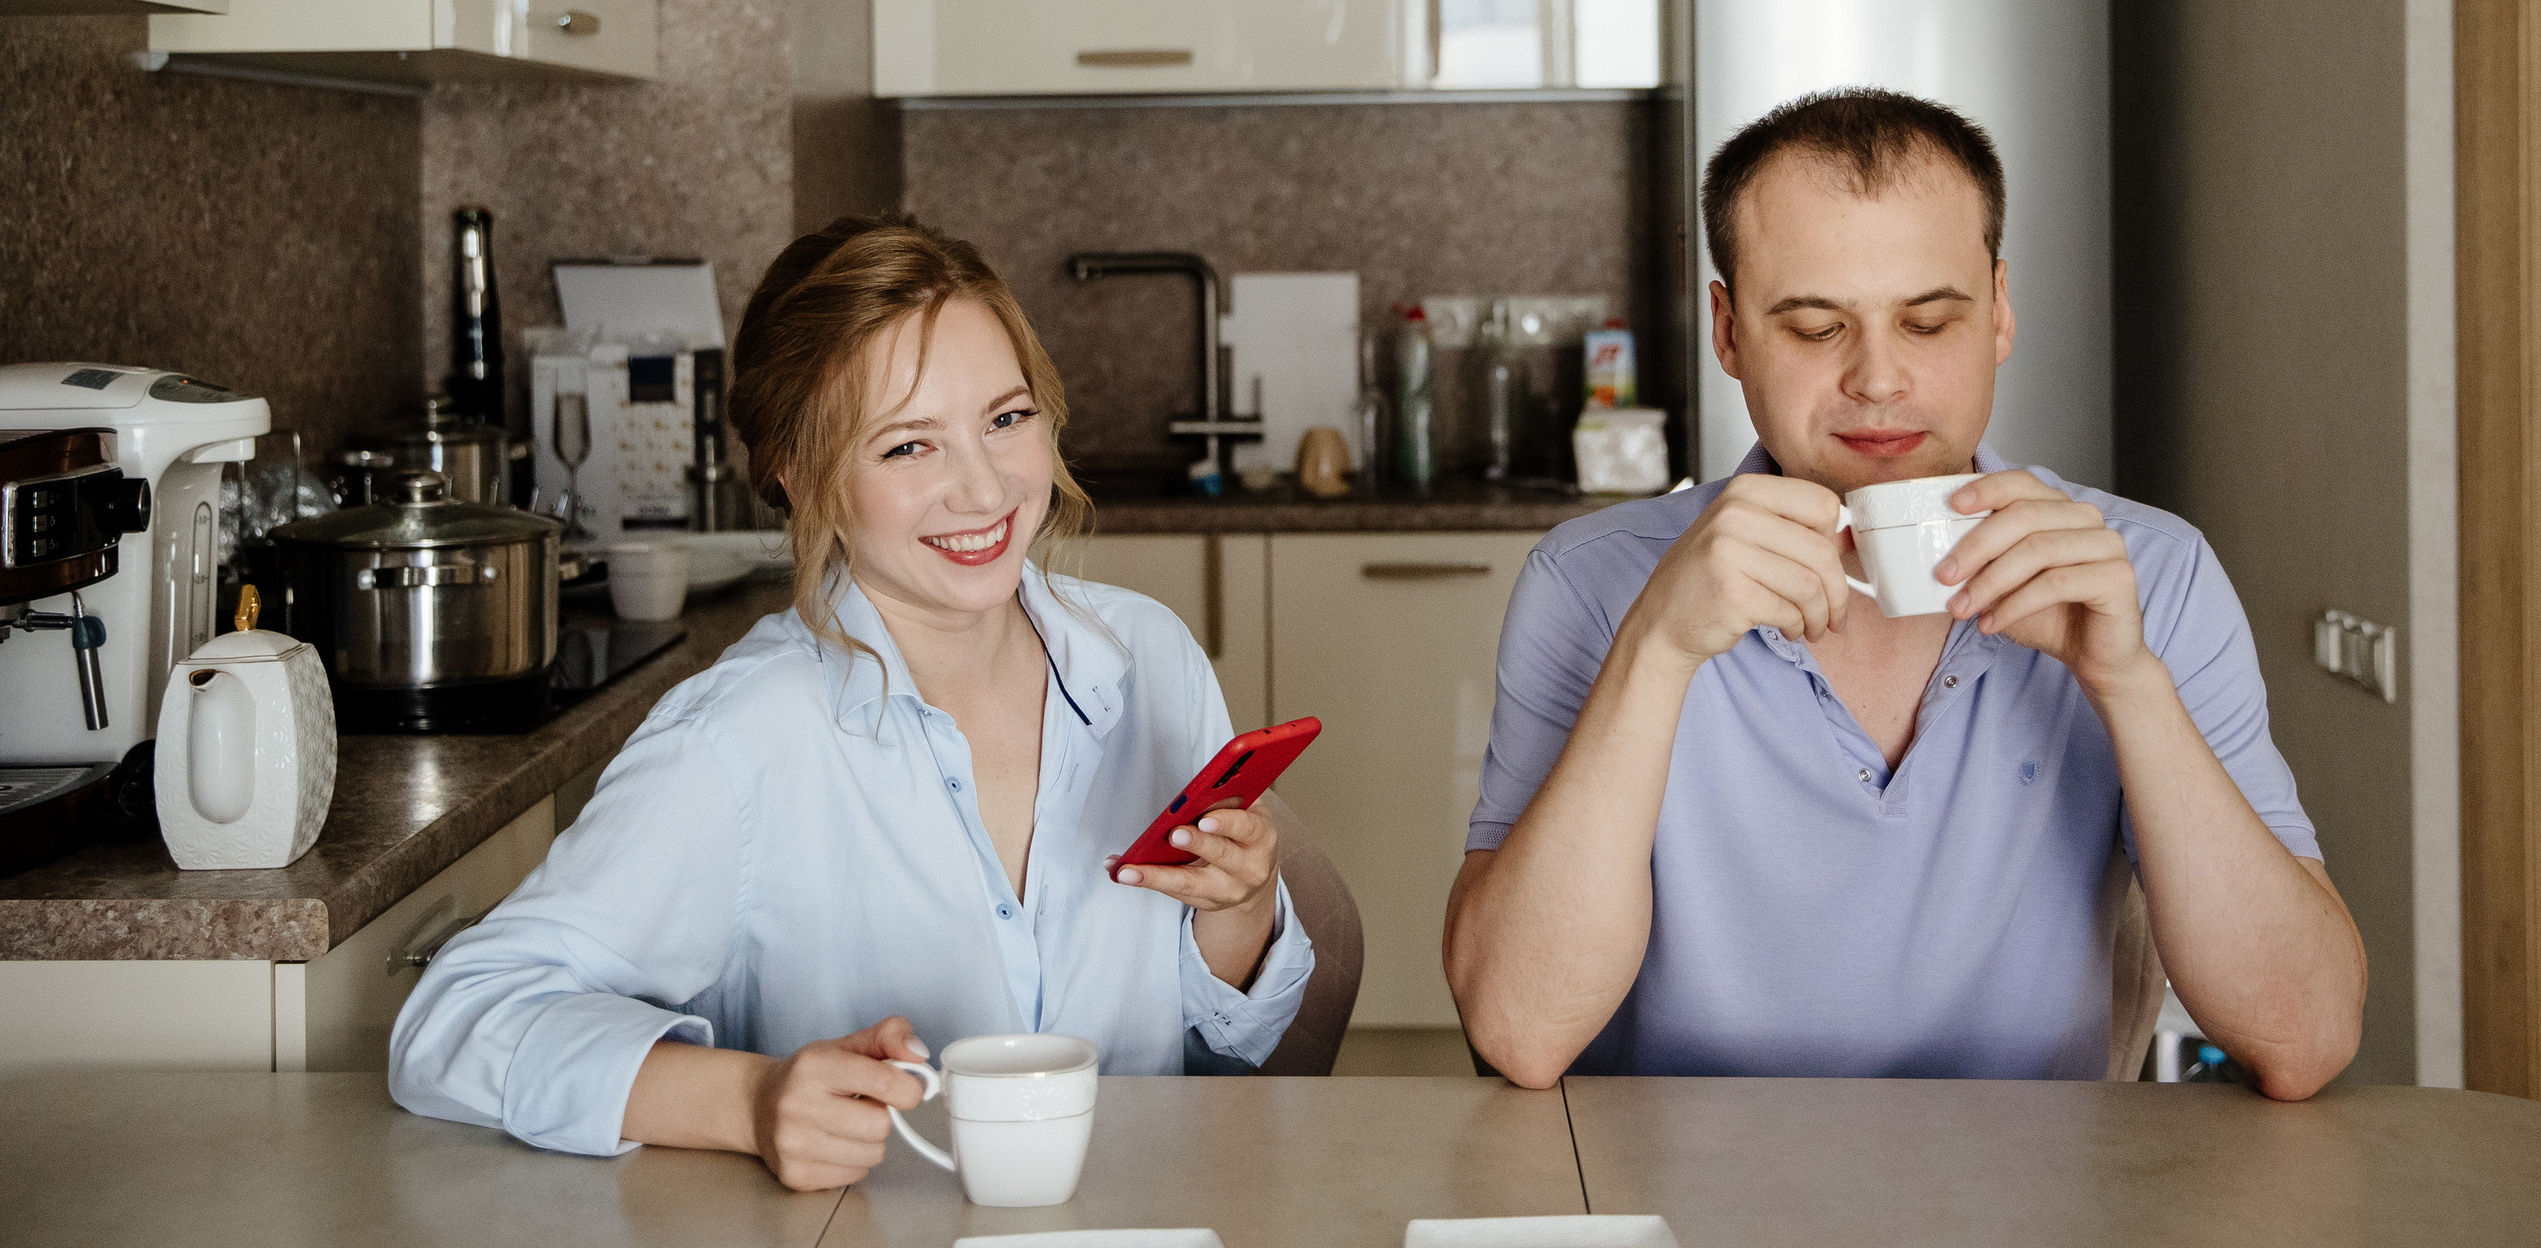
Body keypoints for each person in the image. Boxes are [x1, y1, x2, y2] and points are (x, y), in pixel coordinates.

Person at [1443, 89, 2366, 1099]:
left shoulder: (2150, 574)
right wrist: (1654, 652)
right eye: (1811, 327)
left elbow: (2303, 1037)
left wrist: (2128, 684)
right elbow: (1518, 1033)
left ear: (2000, 312)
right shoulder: (1591, 581)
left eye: (1927, 321)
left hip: (2029, 1203)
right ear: (1728, 331)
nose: (1877, 379)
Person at [391, 215, 1313, 1188]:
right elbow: (457, 1022)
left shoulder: (1150, 658)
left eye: (1006, 419)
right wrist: (746, 1100)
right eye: (909, 447)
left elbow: (1227, 1052)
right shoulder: (741, 738)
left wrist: (1240, 911)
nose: (983, 485)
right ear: (798, 474)